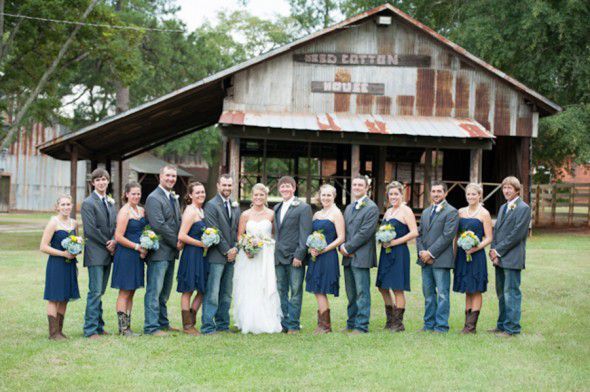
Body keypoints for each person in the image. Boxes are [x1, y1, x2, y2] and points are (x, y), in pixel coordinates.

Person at [232, 183, 282, 334]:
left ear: (265, 197)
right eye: (256, 195)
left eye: (261, 195)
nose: (258, 197)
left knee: (265, 285)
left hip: (266, 255)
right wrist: (247, 246)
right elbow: (240, 235)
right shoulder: (245, 214)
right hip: (249, 256)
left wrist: (265, 244)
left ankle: (267, 319)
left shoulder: (272, 214)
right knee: (249, 285)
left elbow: (274, 234)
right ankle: (248, 320)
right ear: (252, 196)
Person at [489, 176, 531, 337]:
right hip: (498, 258)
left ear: (517, 190)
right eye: (504, 188)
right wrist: (493, 252)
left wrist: (498, 251)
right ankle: (502, 325)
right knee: (501, 293)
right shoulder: (503, 208)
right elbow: (497, 231)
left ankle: (512, 328)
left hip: (512, 258)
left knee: (511, 292)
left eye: (510, 188)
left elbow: (517, 235)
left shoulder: (523, 208)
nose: (506, 191)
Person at [416, 181, 459, 333]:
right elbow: (419, 234)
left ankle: (441, 326)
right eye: (433, 191)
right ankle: (428, 325)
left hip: (441, 260)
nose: (435, 194)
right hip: (425, 260)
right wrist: (422, 252)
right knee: (428, 294)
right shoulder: (426, 212)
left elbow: (447, 236)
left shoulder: (451, 212)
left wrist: (430, 253)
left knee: (442, 294)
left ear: (445, 193)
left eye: (439, 191)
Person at [144, 165, 181, 336]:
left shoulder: (173, 197)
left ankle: (163, 322)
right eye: (168, 175)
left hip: (170, 252)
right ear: (160, 176)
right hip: (159, 252)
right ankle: (151, 327)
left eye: (173, 176)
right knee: (154, 290)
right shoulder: (154, 198)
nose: (171, 179)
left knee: (165, 291)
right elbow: (159, 225)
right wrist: (177, 242)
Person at [339, 175, 380, 334]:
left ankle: (361, 325)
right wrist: (342, 247)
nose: (356, 187)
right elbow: (344, 231)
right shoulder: (349, 207)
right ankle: (351, 323)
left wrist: (348, 248)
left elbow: (365, 232)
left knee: (362, 292)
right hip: (347, 256)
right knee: (351, 292)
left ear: (367, 187)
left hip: (361, 256)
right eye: (354, 184)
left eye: (360, 185)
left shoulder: (371, 207)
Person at [273, 176, 313, 334]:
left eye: (288, 186)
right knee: (281, 290)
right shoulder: (276, 207)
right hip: (278, 257)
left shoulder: (303, 208)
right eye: (282, 186)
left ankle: (294, 324)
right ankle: (283, 323)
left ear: (294, 188)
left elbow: (305, 234)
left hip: (294, 257)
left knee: (295, 291)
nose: (285, 189)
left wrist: (299, 255)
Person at [201, 174, 241, 335]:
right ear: (218, 185)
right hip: (217, 256)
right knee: (213, 293)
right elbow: (214, 229)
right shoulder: (211, 205)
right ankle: (208, 326)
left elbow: (238, 229)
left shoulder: (235, 205)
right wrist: (227, 250)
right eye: (224, 185)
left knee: (226, 293)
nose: (227, 188)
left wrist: (236, 249)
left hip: (232, 256)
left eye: (229, 185)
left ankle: (223, 325)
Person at [376, 181, 418, 332]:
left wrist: (394, 242)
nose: (393, 197)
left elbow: (414, 232)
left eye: (396, 194)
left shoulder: (406, 210)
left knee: (397, 288)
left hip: (399, 252)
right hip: (386, 253)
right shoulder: (388, 211)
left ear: (402, 194)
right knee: (382, 286)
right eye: (391, 194)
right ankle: (390, 319)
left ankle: (398, 323)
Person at [81, 168, 116, 339]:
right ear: (93, 183)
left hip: (108, 253)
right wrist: (107, 243)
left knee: (100, 291)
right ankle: (90, 329)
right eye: (98, 180)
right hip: (95, 253)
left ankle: (99, 326)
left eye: (104, 179)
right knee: (94, 291)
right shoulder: (88, 202)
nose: (102, 182)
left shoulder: (110, 202)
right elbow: (90, 229)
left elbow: (114, 225)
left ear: (108, 181)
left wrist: (114, 240)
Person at [453, 183, 492, 334]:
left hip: (477, 255)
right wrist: (455, 254)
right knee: (467, 289)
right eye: (468, 194)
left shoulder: (484, 214)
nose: (470, 197)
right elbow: (456, 236)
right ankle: (466, 324)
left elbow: (489, 238)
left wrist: (475, 247)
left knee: (476, 289)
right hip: (463, 255)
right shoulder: (461, 212)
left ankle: (471, 326)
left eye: (473, 194)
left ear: (479, 195)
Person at [40, 195, 80, 340]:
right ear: (57, 207)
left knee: (65, 297)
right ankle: (53, 333)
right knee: (54, 297)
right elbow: (43, 247)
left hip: (69, 265)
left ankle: (60, 331)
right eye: (63, 204)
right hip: (56, 264)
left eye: (68, 204)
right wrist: (63, 253)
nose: (66, 207)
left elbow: (77, 242)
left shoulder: (74, 223)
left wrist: (76, 251)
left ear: (72, 205)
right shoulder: (53, 223)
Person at [306, 184, 344, 334]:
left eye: (329, 195)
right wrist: (311, 248)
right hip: (315, 256)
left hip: (328, 255)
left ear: (334, 196)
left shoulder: (336, 214)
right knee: (316, 288)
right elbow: (311, 236)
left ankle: (325, 326)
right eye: (324, 195)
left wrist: (324, 249)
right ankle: (322, 324)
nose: (326, 198)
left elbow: (341, 237)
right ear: (320, 196)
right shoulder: (317, 215)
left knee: (321, 288)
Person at [111, 182, 146, 336]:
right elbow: (118, 236)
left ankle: (128, 327)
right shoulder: (124, 212)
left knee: (132, 291)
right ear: (126, 194)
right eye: (133, 194)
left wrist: (146, 245)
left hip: (137, 256)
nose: (136, 196)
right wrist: (137, 247)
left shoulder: (141, 210)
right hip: (126, 254)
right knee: (124, 291)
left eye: (138, 194)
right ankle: (122, 328)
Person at [176, 182, 209, 336]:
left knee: (202, 289)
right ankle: (187, 325)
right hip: (191, 254)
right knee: (188, 289)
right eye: (197, 192)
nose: (201, 194)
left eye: (202, 192)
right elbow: (182, 235)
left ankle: (192, 319)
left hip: (202, 256)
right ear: (190, 195)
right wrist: (201, 243)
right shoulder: (190, 211)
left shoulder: (201, 210)